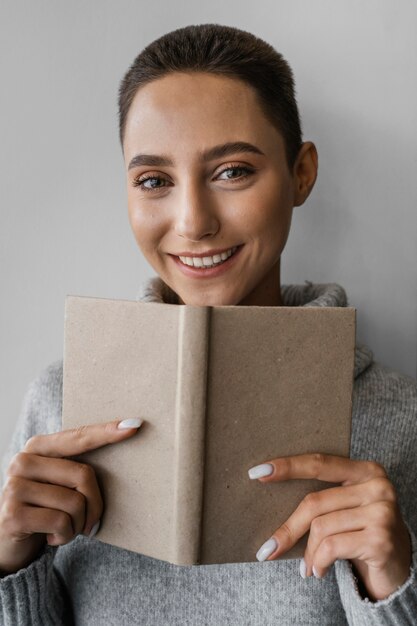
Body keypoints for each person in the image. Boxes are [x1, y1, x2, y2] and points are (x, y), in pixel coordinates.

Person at [0, 23, 416, 626]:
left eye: (232, 171)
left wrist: (394, 588)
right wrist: (10, 566)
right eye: (153, 181)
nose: (193, 222)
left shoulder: (402, 417)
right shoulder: (60, 406)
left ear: (301, 173)